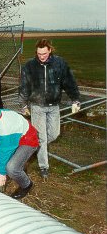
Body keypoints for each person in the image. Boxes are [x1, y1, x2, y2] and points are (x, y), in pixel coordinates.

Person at [19, 39, 80, 179]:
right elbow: (24, 86)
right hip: (37, 106)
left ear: (50, 50)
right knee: (42, 138)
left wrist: (75, 99)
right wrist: (23, 104)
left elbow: (69, 83)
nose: (42, 56)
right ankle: (43, 167)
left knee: (53, 134)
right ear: (36, 52)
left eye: (44, 53)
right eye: (39, 54)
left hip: (54, 106)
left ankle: (34, 145)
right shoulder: (30, 66)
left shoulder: (60, 64)